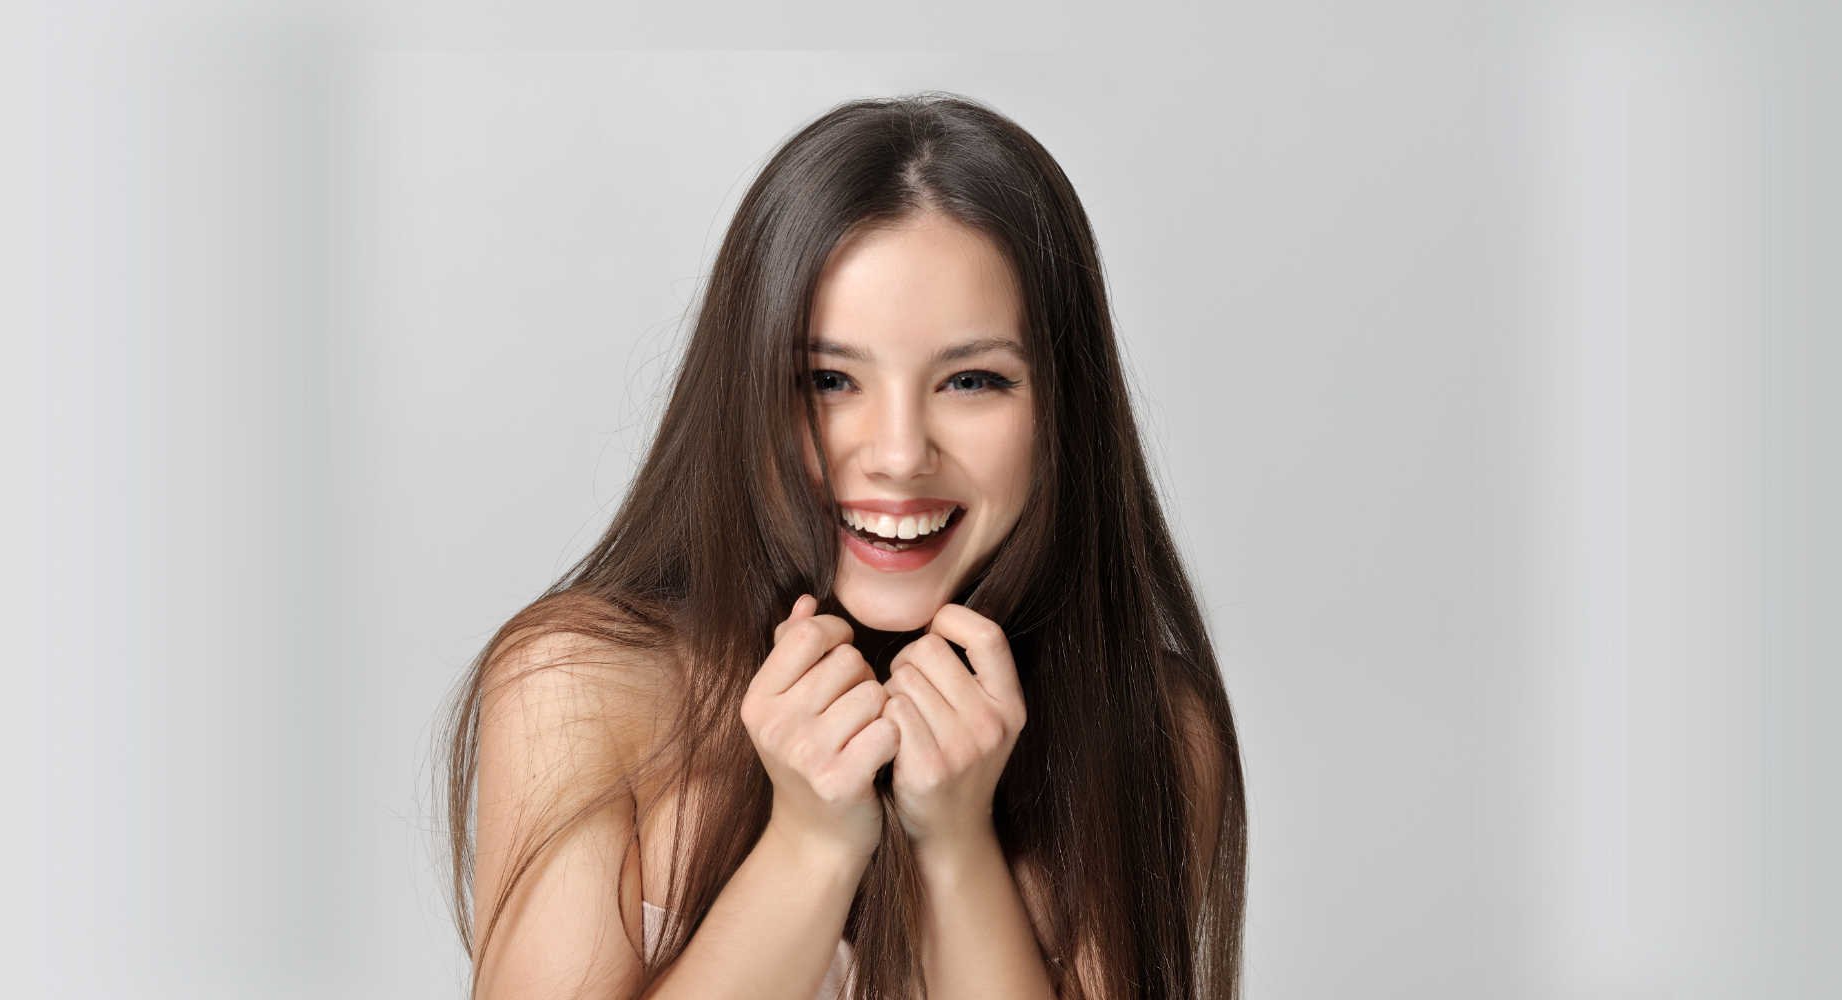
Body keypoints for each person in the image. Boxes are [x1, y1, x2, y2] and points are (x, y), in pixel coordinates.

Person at [440, 91, 1247, 1000]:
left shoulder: (1151, 724)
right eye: (829, 380)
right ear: (745, 393)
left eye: (972, 381)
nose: (899, 455)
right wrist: (810, 846)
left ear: (1064, 408)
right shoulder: (581, 684)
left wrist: (957, 850)